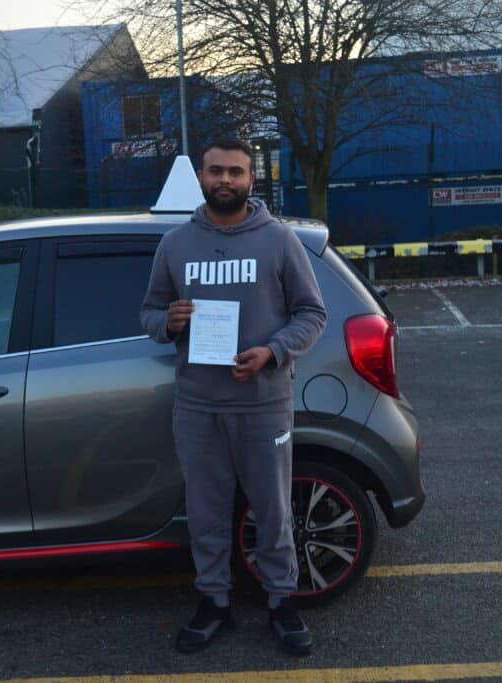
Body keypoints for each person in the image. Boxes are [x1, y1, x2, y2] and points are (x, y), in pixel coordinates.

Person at [140, 138, 327, 656]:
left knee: (272, 510)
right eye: (216, 171)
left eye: (236, 173)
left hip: (263, 404)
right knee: (206, 511)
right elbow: (149, 314)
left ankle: (281, 601)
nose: (225, 180)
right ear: (201, 176)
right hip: (198, 405)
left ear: (251, 179)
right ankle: (214, 603)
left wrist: (272, 351)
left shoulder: (279, 241)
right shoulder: (176, 244)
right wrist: (168, 322)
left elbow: (313, 314)